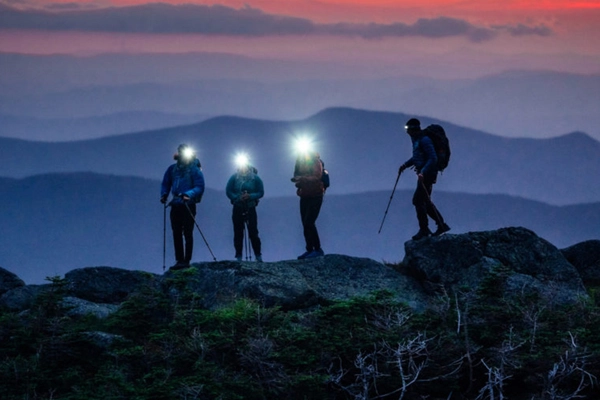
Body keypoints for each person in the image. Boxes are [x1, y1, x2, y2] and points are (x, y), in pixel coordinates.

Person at [399, 118, 450, 240]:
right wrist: (405, 165)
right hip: (424, 174)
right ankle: (440, 225)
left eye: (408, 129)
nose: (407, 132)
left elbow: (432, 158)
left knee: (418, 200)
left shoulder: (424, 140)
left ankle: (424, 229)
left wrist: (422, 172)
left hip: (427, 174)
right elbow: (417, 157)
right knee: (424, 201)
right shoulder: (417, 140)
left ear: (413, 129)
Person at [160, 144, 205, 270]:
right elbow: (166, 183)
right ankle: (180, 260)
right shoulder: (172, 169)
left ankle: (186, 260)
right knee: (177, 232)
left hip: (188, 204)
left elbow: (199, 186)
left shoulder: (194, 169)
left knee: (187, 232)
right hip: (176, 204)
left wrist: (188, 194)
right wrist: (164, 195)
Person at [226, 158, 264, 262]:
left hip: (250, 207)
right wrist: (237, 198)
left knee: (253, 232)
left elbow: (261, 192)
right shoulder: (234, 177)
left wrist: (250, 196)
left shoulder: (255, 178)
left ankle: (257, 255)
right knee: (238, 232)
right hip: (238, 207)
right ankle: (239, 256)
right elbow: (228, 191)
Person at [292, 150, 325, 259]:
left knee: (309, 222)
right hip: (305, 195)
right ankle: (310, 249)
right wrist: (299, 181)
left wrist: (302, 179)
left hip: (315, 196)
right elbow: (296, 175)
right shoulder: (299, 162)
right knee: (305, 223)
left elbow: (317, 176)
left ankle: (318, 249)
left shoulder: (316, 161)